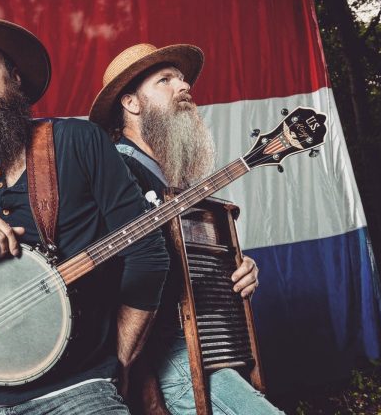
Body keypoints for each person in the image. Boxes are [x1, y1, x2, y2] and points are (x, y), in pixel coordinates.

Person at [0, 17, 169, 414]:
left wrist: (120, 358)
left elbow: (148, 250)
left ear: (14, 78)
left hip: (77, 390)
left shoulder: (79, 141)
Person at [89, 43, 284, 414]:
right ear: (131, 104)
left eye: (182, 79)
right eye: (165, 80)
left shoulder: (175, 181)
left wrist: (237, 270)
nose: (183, 87)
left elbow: (186, 266)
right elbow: (116, 282)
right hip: (162, 356)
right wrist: (147, 392)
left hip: (199, 345)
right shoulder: (116, 173)